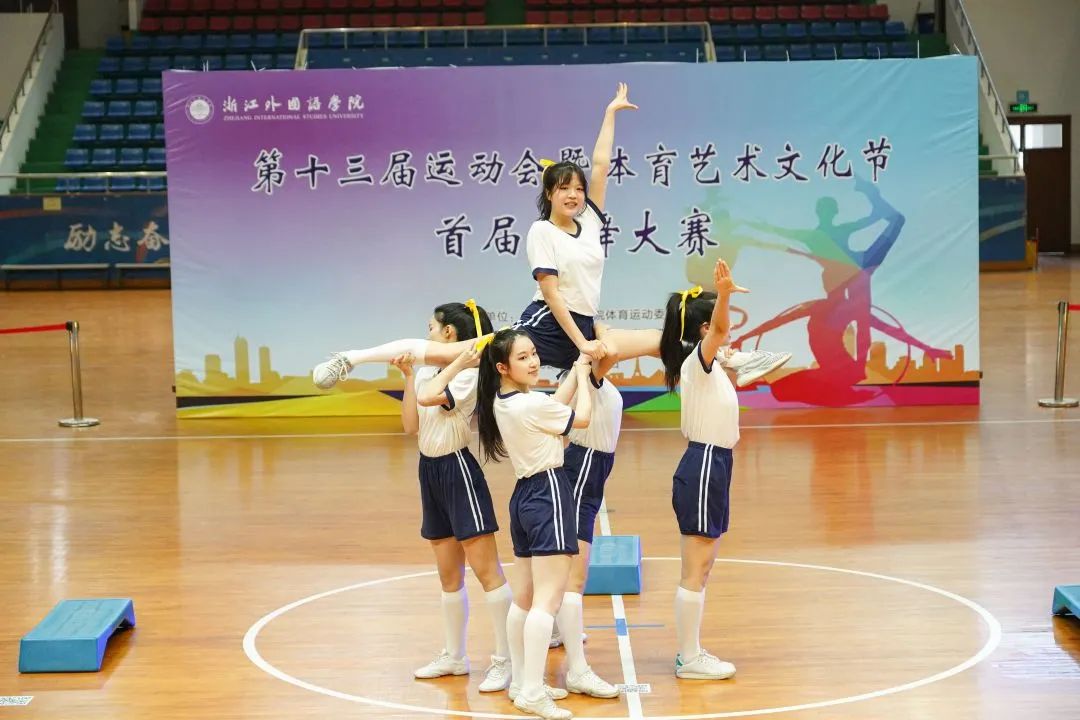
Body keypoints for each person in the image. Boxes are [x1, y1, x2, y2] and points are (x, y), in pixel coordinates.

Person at [388, 301, 514, 692]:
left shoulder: (465, 376)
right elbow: (410, 425)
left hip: (458, 471)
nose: (425, 334)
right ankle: (454, 656)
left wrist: (458, 361)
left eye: (431, 327)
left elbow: (431, 399)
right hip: (429, 472)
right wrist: (409, 376)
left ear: (449, 333)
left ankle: (506, 660)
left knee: (488, 573)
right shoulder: (432, 372)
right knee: (448, 576)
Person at [475, 328, 594, 720]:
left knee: (524, 599)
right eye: (523, 357)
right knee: (548, 600)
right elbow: (581, 418)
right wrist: (586, 379)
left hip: (524, 497)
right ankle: (531, 692)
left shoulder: (504, 401)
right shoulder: (531, 405)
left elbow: (553, 408)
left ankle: (521, 684)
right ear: (502, 367)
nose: (533, 362)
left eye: (534, 354)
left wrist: (577, 367)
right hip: (549, 494)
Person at [657, 259, 746, 681]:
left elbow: (722, 341)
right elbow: (721, 331)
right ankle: (689, 658)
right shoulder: (698, 359)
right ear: (704, 329)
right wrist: (724, 294)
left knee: (703, 565)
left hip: (716, 463)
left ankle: (691, 653)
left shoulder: (707, 365)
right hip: (705, 464)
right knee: (696, 568)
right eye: (715, 326)